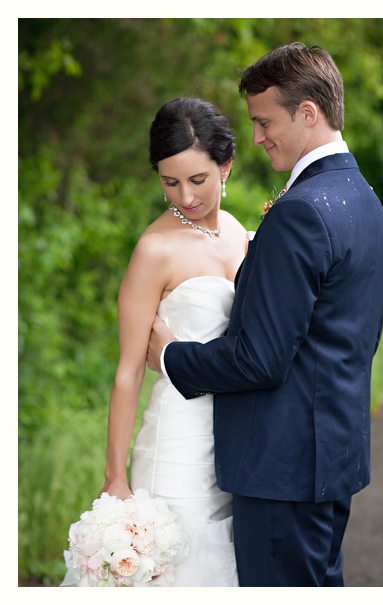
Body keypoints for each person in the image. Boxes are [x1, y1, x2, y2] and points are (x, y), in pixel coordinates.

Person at [146, 43, 383, 587]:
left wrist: (169, 356)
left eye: (264, 121)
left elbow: (260, 360)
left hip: (282, 467)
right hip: (331, 454)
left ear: (308, 113)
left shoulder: (301, 211)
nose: (256, 137)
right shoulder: (364, 199)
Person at [62, 97, 247, 586]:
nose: (184, 196)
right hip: (177, 444)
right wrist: (114, 476)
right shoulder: (154, 250)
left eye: (198, 180)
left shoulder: (238, 234)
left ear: (226, 166)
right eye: (170, 182)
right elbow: (127, 371)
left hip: (234, 441)